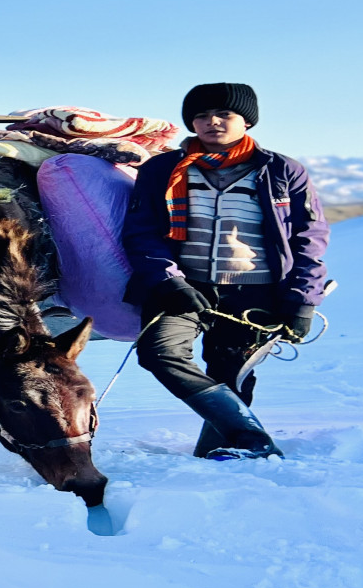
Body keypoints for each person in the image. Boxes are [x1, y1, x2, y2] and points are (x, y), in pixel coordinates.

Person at [121, 82, 329, 460]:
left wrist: (303, 301)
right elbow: (141, 231)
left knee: (232, 372)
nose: (212, 122)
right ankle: (250, 437)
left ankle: (224, 452)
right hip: (182, 287)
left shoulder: (281, 170)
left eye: (224, 114)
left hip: (256, 291)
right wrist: (167, 280)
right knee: (158, 352)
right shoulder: (161, 170)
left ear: (246, 121)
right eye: (201, 115)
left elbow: (309, 239)